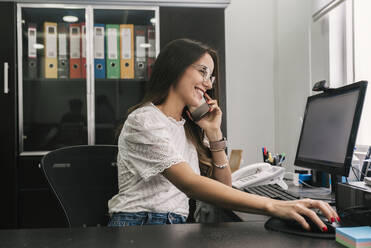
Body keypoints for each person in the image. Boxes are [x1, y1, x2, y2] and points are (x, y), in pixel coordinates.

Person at [107, 38, 339, 230]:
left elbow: (225, 187)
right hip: (139, 226)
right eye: (203, 72)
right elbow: (190, 184)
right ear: (175, 68)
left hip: (170, 226)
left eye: (211, 77)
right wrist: (273, 205)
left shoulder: (184, 126)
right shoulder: (145, 120)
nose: (208, 84)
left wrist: (214, 132)